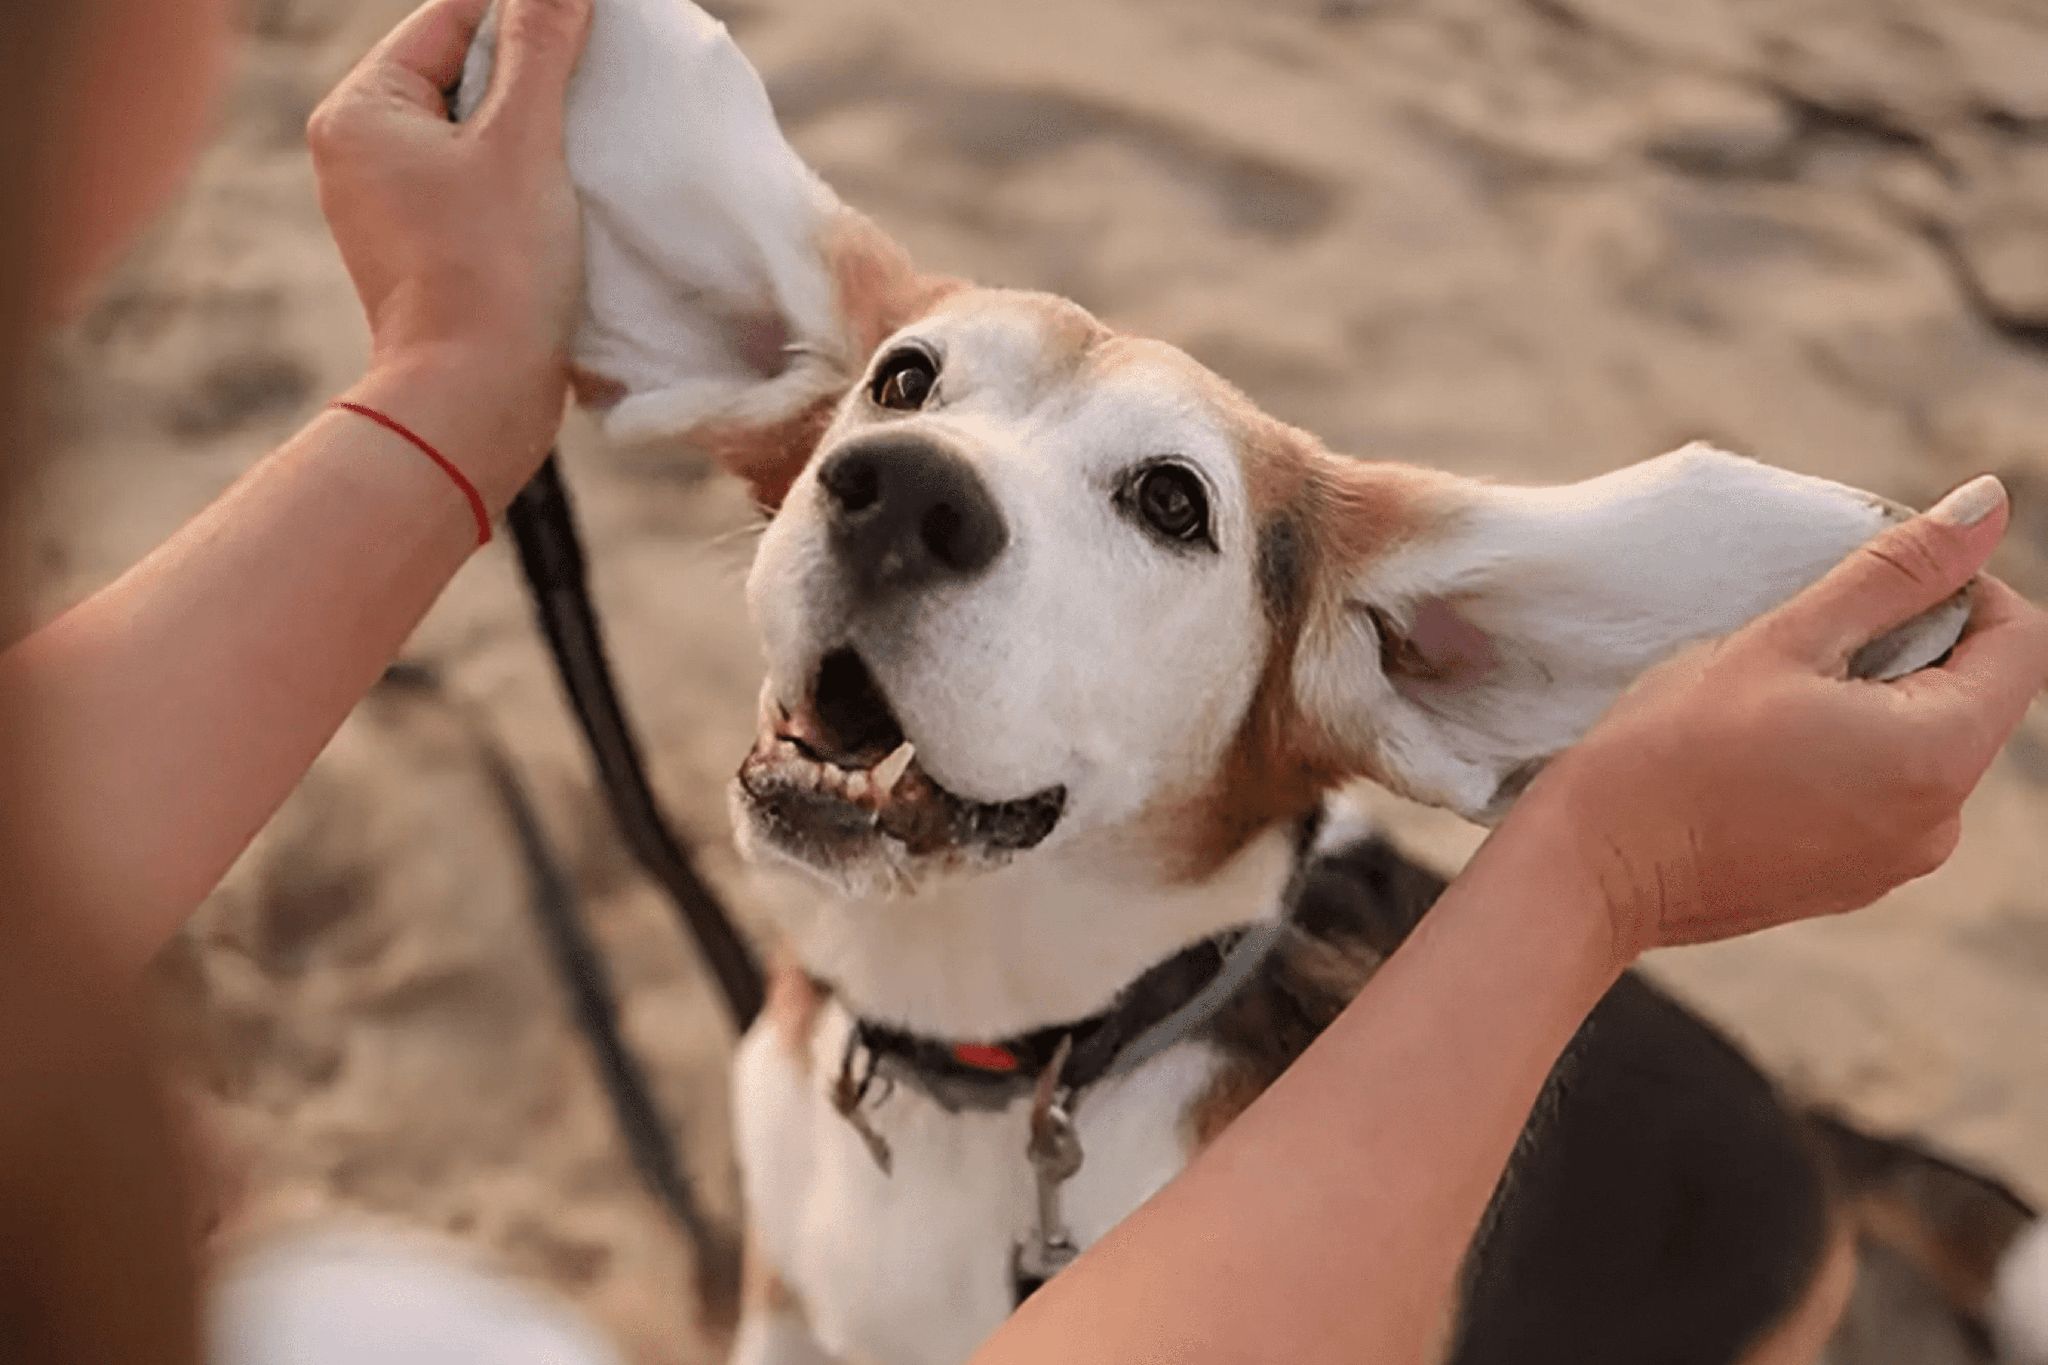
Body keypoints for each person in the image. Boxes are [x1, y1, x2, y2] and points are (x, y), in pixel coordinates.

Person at [0, 1, 2043, 1363]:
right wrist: (1594, 868)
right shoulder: (785, 1062)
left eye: (1156, 507)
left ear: (1374, 671)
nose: (907, 482)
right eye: (898, 404)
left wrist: (448, 384)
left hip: (1698, 1275)